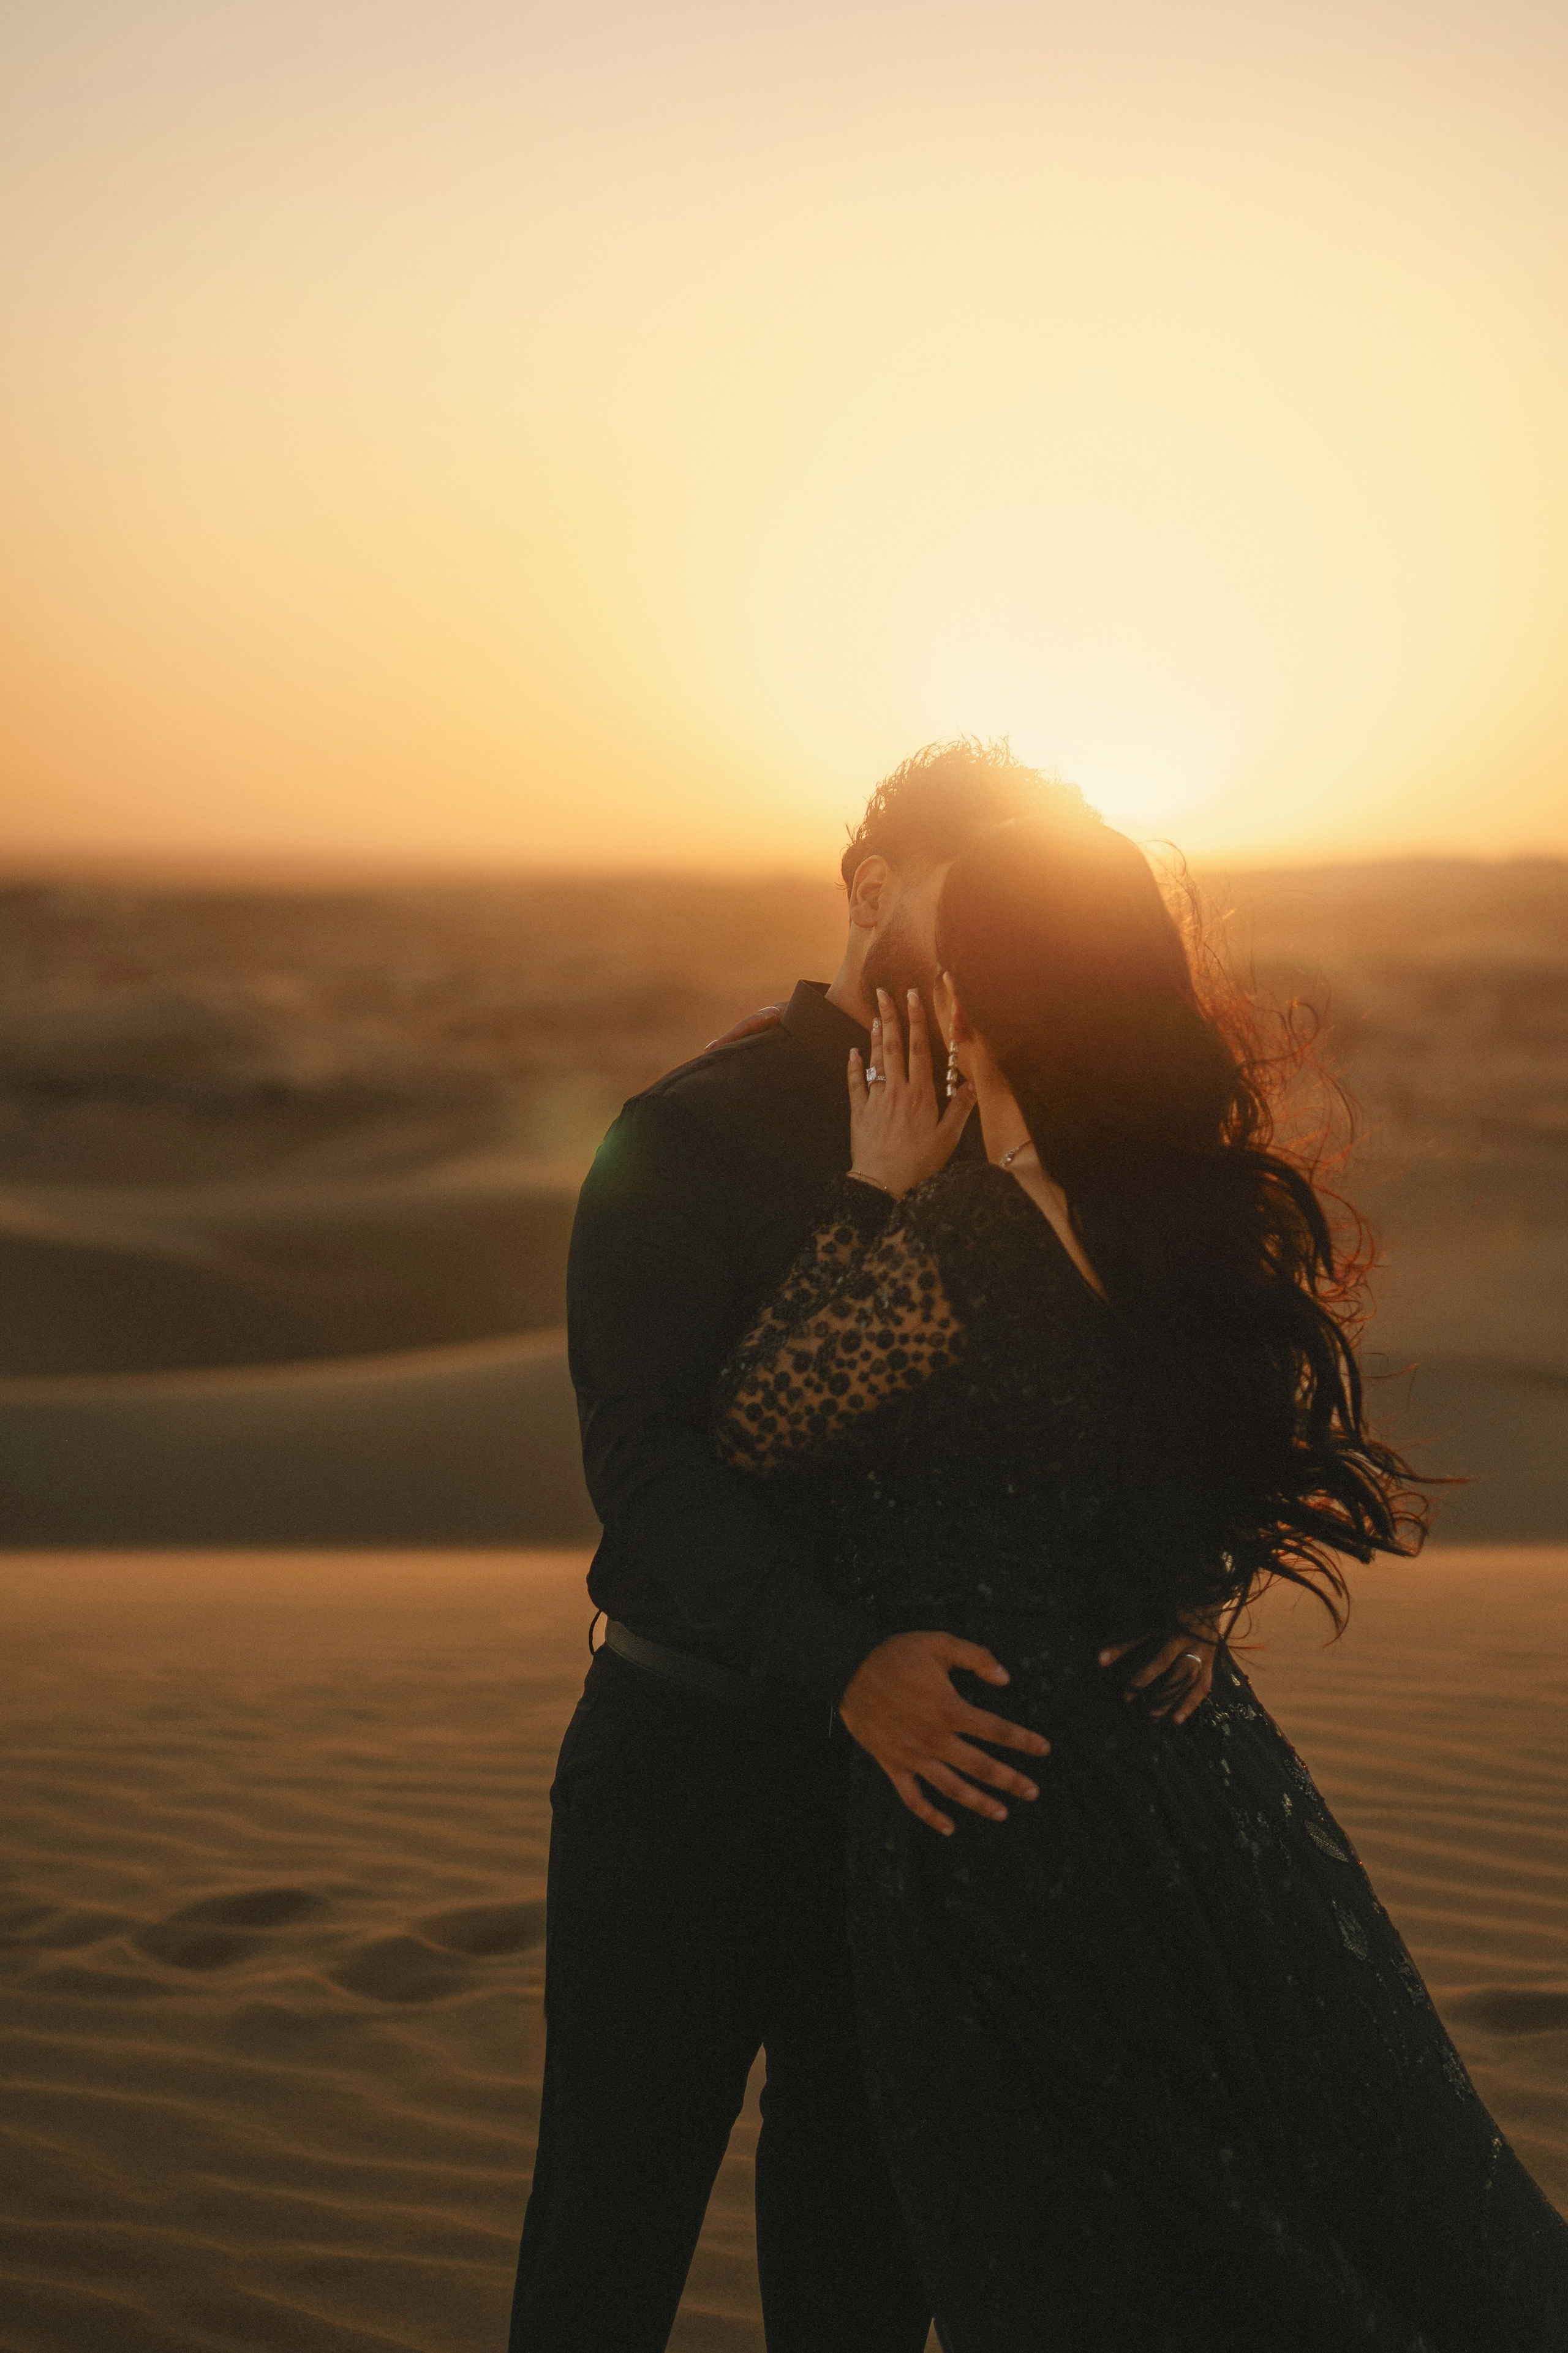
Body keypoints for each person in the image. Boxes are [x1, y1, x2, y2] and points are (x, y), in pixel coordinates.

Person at [712, 806, 1568, 2352]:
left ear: (984, 1004)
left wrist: (873, 1189)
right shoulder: (1188, 1217)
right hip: (1207, 1788)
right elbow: (1215, 1452)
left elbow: (759, 1419)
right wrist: (1200, 1590)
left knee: (1104, 2246)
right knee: (1330, 2179)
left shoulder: (962, 1237)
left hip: (1000, 1816)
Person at [509, 744, 1213, 2350]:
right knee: (608, 2244)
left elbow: (1107, 1404)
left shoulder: (1038, 1122)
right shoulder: (687, 1130)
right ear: (871, 886)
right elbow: (647, 1466)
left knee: (869, 2263)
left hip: (925, 1799)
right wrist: (843, 1667)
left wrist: (1186, 1580)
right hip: (688, 1767)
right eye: (984, 904)